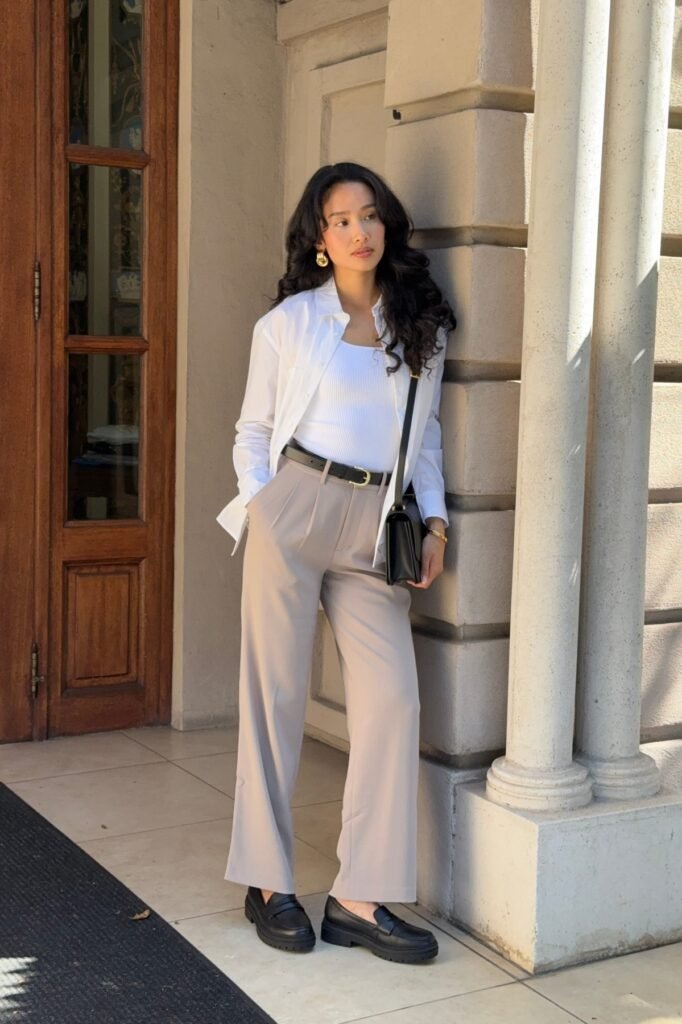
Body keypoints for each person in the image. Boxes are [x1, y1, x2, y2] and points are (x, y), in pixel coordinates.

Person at [217, 162, 456, 964]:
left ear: (386, 226)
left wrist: (436, 523)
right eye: (340, 220)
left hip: (377, 523)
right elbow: (252, 429)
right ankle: (266, 880)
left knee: (392, 703)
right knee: (275, 696)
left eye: (369, 215)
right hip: (298, 501)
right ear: (319, 240)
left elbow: (425, 439)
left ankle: (359, 899)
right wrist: (263, 502)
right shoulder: (288, 323)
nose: (358, 230)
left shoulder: (421, 326)